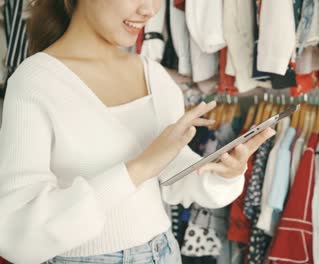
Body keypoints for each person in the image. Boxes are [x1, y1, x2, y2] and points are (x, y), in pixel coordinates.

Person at [0, 0, 275, 263]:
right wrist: (139, 168)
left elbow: (176, 175)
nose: (150, 10)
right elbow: (18, 233)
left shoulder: (153, 74)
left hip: (164, 251)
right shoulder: (35, 82)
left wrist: (225, 173)